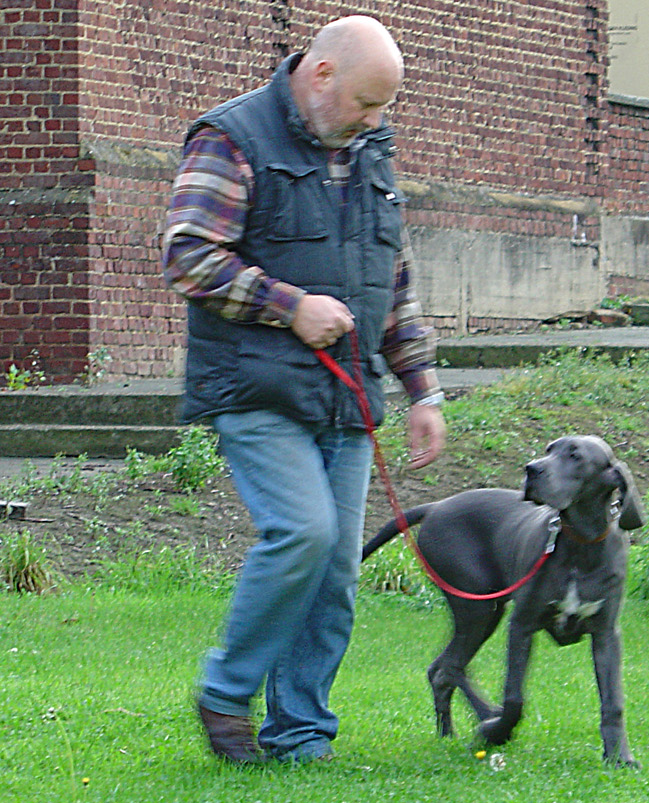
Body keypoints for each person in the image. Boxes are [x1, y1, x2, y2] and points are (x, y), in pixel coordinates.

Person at [165, 16, 444, 763]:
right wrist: (290, 305)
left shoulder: (369, 150)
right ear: (320, 75)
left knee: (335, 573)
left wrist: (422, 388)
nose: (375, 121)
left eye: (384, 108)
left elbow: (395, 277)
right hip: (253, 386)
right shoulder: (232, 137)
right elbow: (189, 256)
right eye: (365, 103)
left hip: (345, 393)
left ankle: (299, 736)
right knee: (304, 532)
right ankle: (225, 692)